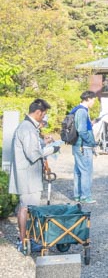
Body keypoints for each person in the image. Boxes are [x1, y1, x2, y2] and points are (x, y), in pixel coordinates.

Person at [9, 99, 59, 254]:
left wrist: (43, 143)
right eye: (43, 114)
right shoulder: (28, 128)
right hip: (28, 176)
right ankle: (25, 241)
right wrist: (53, 149)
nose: (43, 117)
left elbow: (31, 147)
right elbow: (33, 154)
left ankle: (25, 240)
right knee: (27, 208)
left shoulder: (27, 127)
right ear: (38, 112)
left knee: (25, 207)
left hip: (26, 174)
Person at [72, 91, 98, 204]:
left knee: (78, 171)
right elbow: (82, 131)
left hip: (77, 145)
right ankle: (85, 196)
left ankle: (77, 195)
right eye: (93, 100)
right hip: (84, 146)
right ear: (88, 99)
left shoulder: (76, 109)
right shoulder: (82, 111)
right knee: (86, 171)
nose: (93, 102)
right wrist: (91, 142)